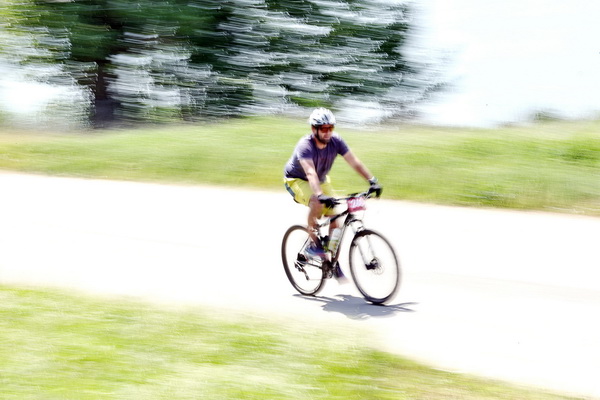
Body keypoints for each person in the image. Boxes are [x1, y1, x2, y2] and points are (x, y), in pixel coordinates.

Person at [283, 107, 382, 259]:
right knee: (317, 202)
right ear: (314, 129)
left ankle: (332, 263)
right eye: (324, 128)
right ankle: (312, 242)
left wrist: (372, 180)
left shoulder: (336, 141)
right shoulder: (305, 146)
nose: (328, 132)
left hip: (321, 179)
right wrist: (319, 194)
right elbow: (310, 172)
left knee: (335, 219)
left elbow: (354, 161)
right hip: (296, 179)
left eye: (331, 128)